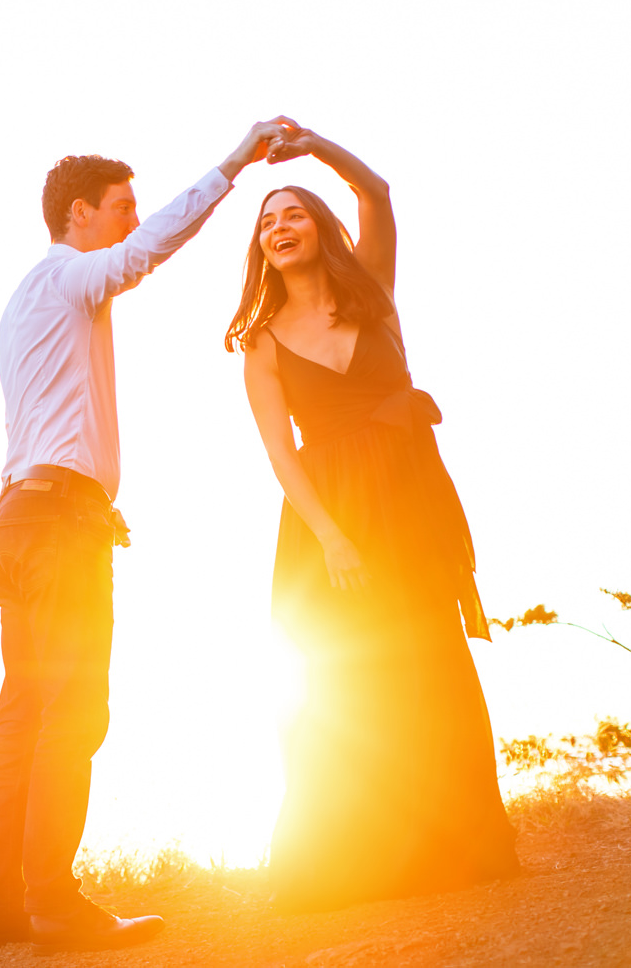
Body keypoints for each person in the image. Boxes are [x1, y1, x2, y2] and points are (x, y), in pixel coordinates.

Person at [0, 118, 296, 953]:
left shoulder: (22, 299)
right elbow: (145, 253)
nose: (133, 217)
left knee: (22, 721)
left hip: (16, 519)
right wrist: (234, 163)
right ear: (80, 214)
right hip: (52, 524)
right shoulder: (70, 277)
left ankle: (3, 910)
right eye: (122, 205)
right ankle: (53, 907)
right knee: (73, 713)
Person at [226, 121, 520, 911]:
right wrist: (331, 537)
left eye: (293, 213)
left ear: (320, 228)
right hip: (327, 520)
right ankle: (347, 858)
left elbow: (377, 194)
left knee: (427, 661)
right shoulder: (260, 342)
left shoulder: (374, 290)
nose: (279, 226)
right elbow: (279, 454)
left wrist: (311, 144)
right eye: (266, 220)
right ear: (259, 248)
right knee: (344, 680)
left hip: (408, 494)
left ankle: (447, 846)